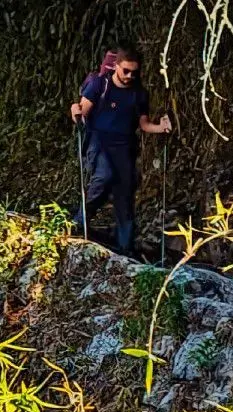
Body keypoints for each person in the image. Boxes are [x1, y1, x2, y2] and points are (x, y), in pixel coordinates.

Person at [70, 48, 172, 257]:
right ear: (116, 66)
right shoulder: (100, 85)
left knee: (124, 193)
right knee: (104, 177)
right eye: (126, 71)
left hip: (125, 145)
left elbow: (143, 125)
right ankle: (77, 224)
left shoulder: (139, 93)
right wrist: (76, 111)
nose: (129, 76)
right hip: (98, 141)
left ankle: (125, 248)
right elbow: (82, 112)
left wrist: (161, 127)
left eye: (134, 72)